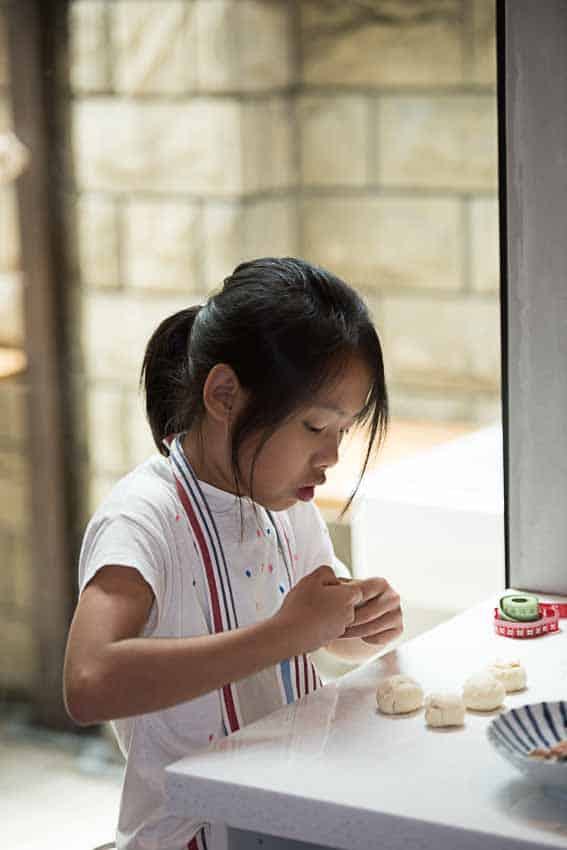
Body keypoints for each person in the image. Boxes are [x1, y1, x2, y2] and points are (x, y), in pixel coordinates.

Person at [63, 257, 403, 850]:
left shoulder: (285, 502)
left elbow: (322, 635)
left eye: (342, 432)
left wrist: (358, 624)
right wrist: (285, 634)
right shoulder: (143, 517)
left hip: (283, 809)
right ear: (224, 395)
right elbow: (88, 682)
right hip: (192, 832)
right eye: (315, 426)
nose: (331, 457)